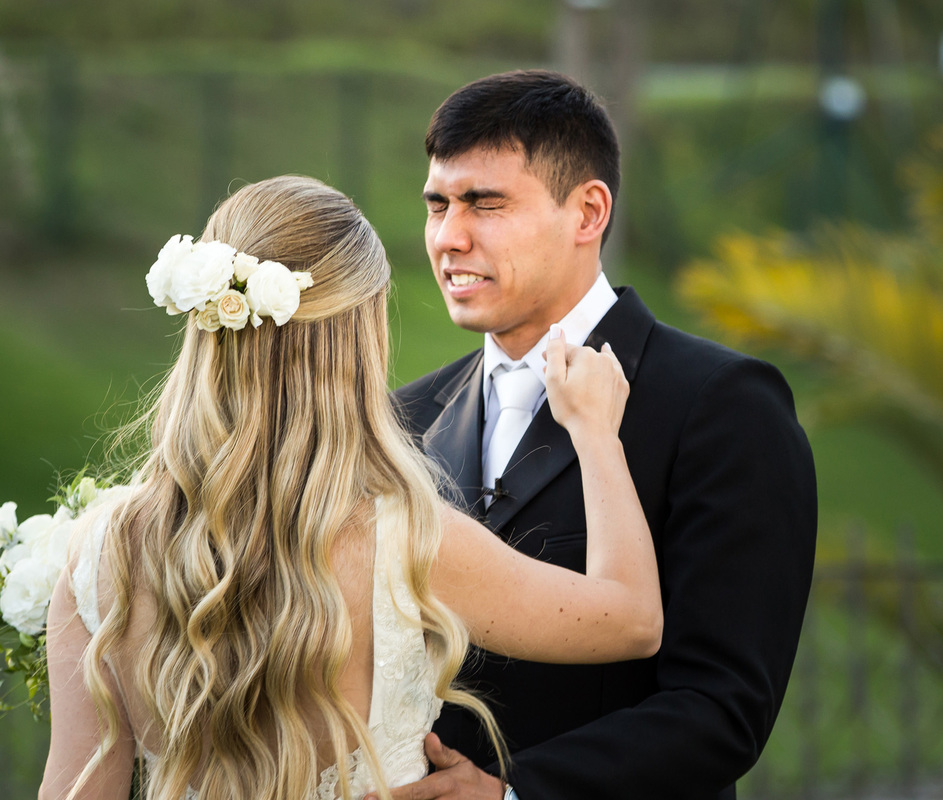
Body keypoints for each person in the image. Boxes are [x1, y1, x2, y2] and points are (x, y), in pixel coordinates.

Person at [38, 175, 663, 800]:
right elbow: (632, 620)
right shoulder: (412, 541)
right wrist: (597, 434)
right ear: (356, 336)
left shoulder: (102, 556)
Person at [390, 71, 818, 800]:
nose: (448, 237)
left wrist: (513, 794)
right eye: (439, 205)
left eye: (485, 204)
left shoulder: (724, 405)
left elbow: (722, 708)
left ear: (588, 212)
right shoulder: (405, 416)